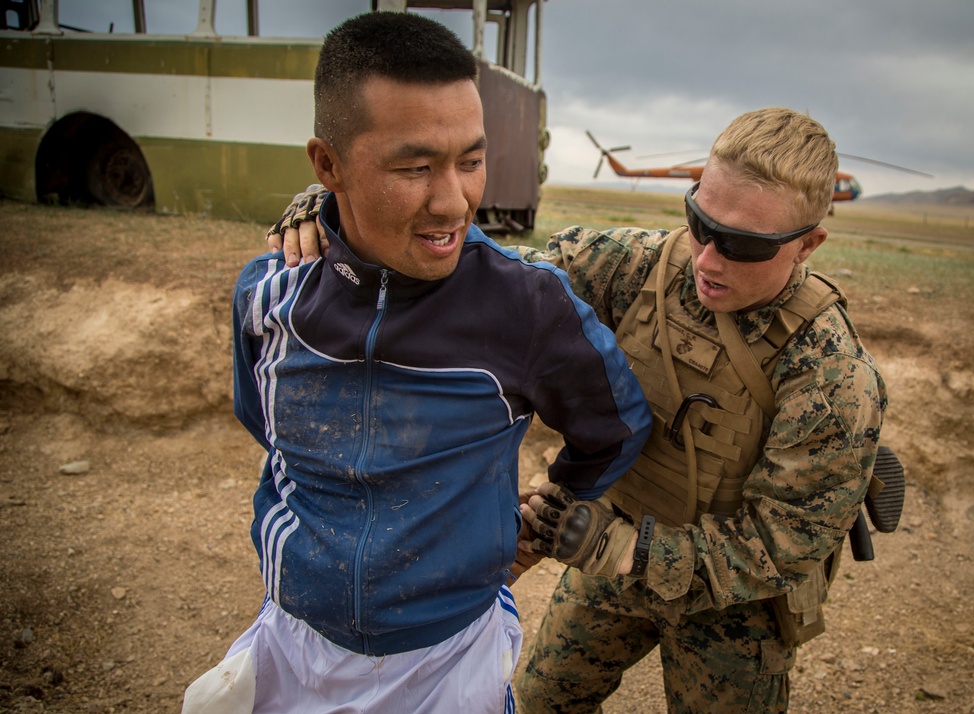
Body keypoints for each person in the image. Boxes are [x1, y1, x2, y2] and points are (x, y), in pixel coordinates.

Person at [270, 106, 888, 713]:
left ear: (809, 243)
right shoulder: (640, 267)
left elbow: (780, 547)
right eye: (701, 223)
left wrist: (619, 549)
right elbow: (490, 284)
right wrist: (339, 207)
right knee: (538, 702)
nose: (707, 259)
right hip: (609, 556)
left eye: (744, 246)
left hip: (731, 609)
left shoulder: (832, 375)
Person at [181, 12, 652, 714]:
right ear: (327, 165)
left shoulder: (525, 306)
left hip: (448, 660)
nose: (454, 199)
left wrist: (537, 520)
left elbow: (616, 426)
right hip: (294, 639)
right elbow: (267, 425)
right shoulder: (269, 296)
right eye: (415, 167)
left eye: (470, 159)